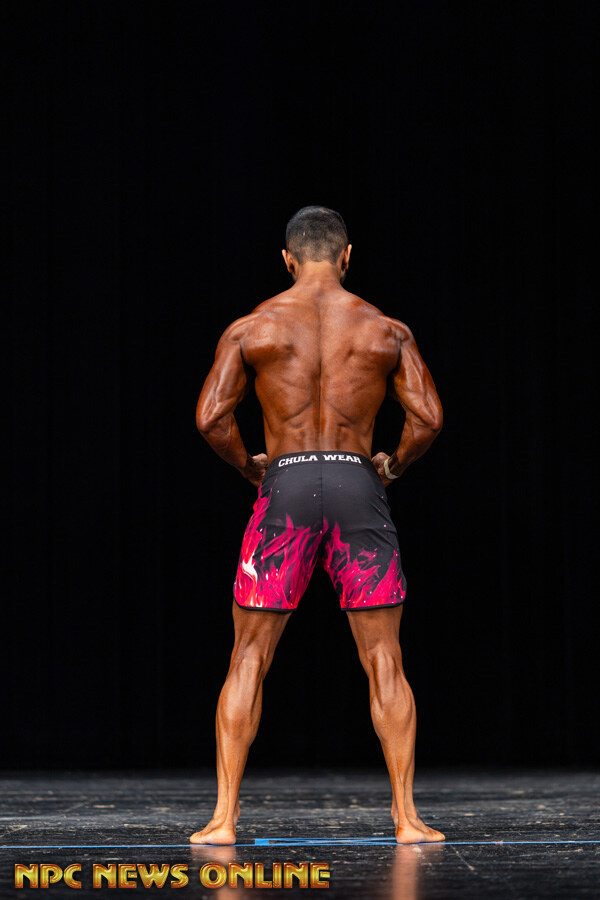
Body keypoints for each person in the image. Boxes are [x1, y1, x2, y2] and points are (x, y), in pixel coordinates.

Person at [191, 206, 444, 845]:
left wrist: (250, 467)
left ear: (287, 259)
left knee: (249, 655)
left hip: (286, 486)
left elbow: (211, 418)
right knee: (384, 657)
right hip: (358, 483)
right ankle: (407, 819)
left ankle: (223, 819)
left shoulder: (254, 327)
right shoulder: (385, 330)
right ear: (347, 256)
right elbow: (428, 418)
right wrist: (392, 465)